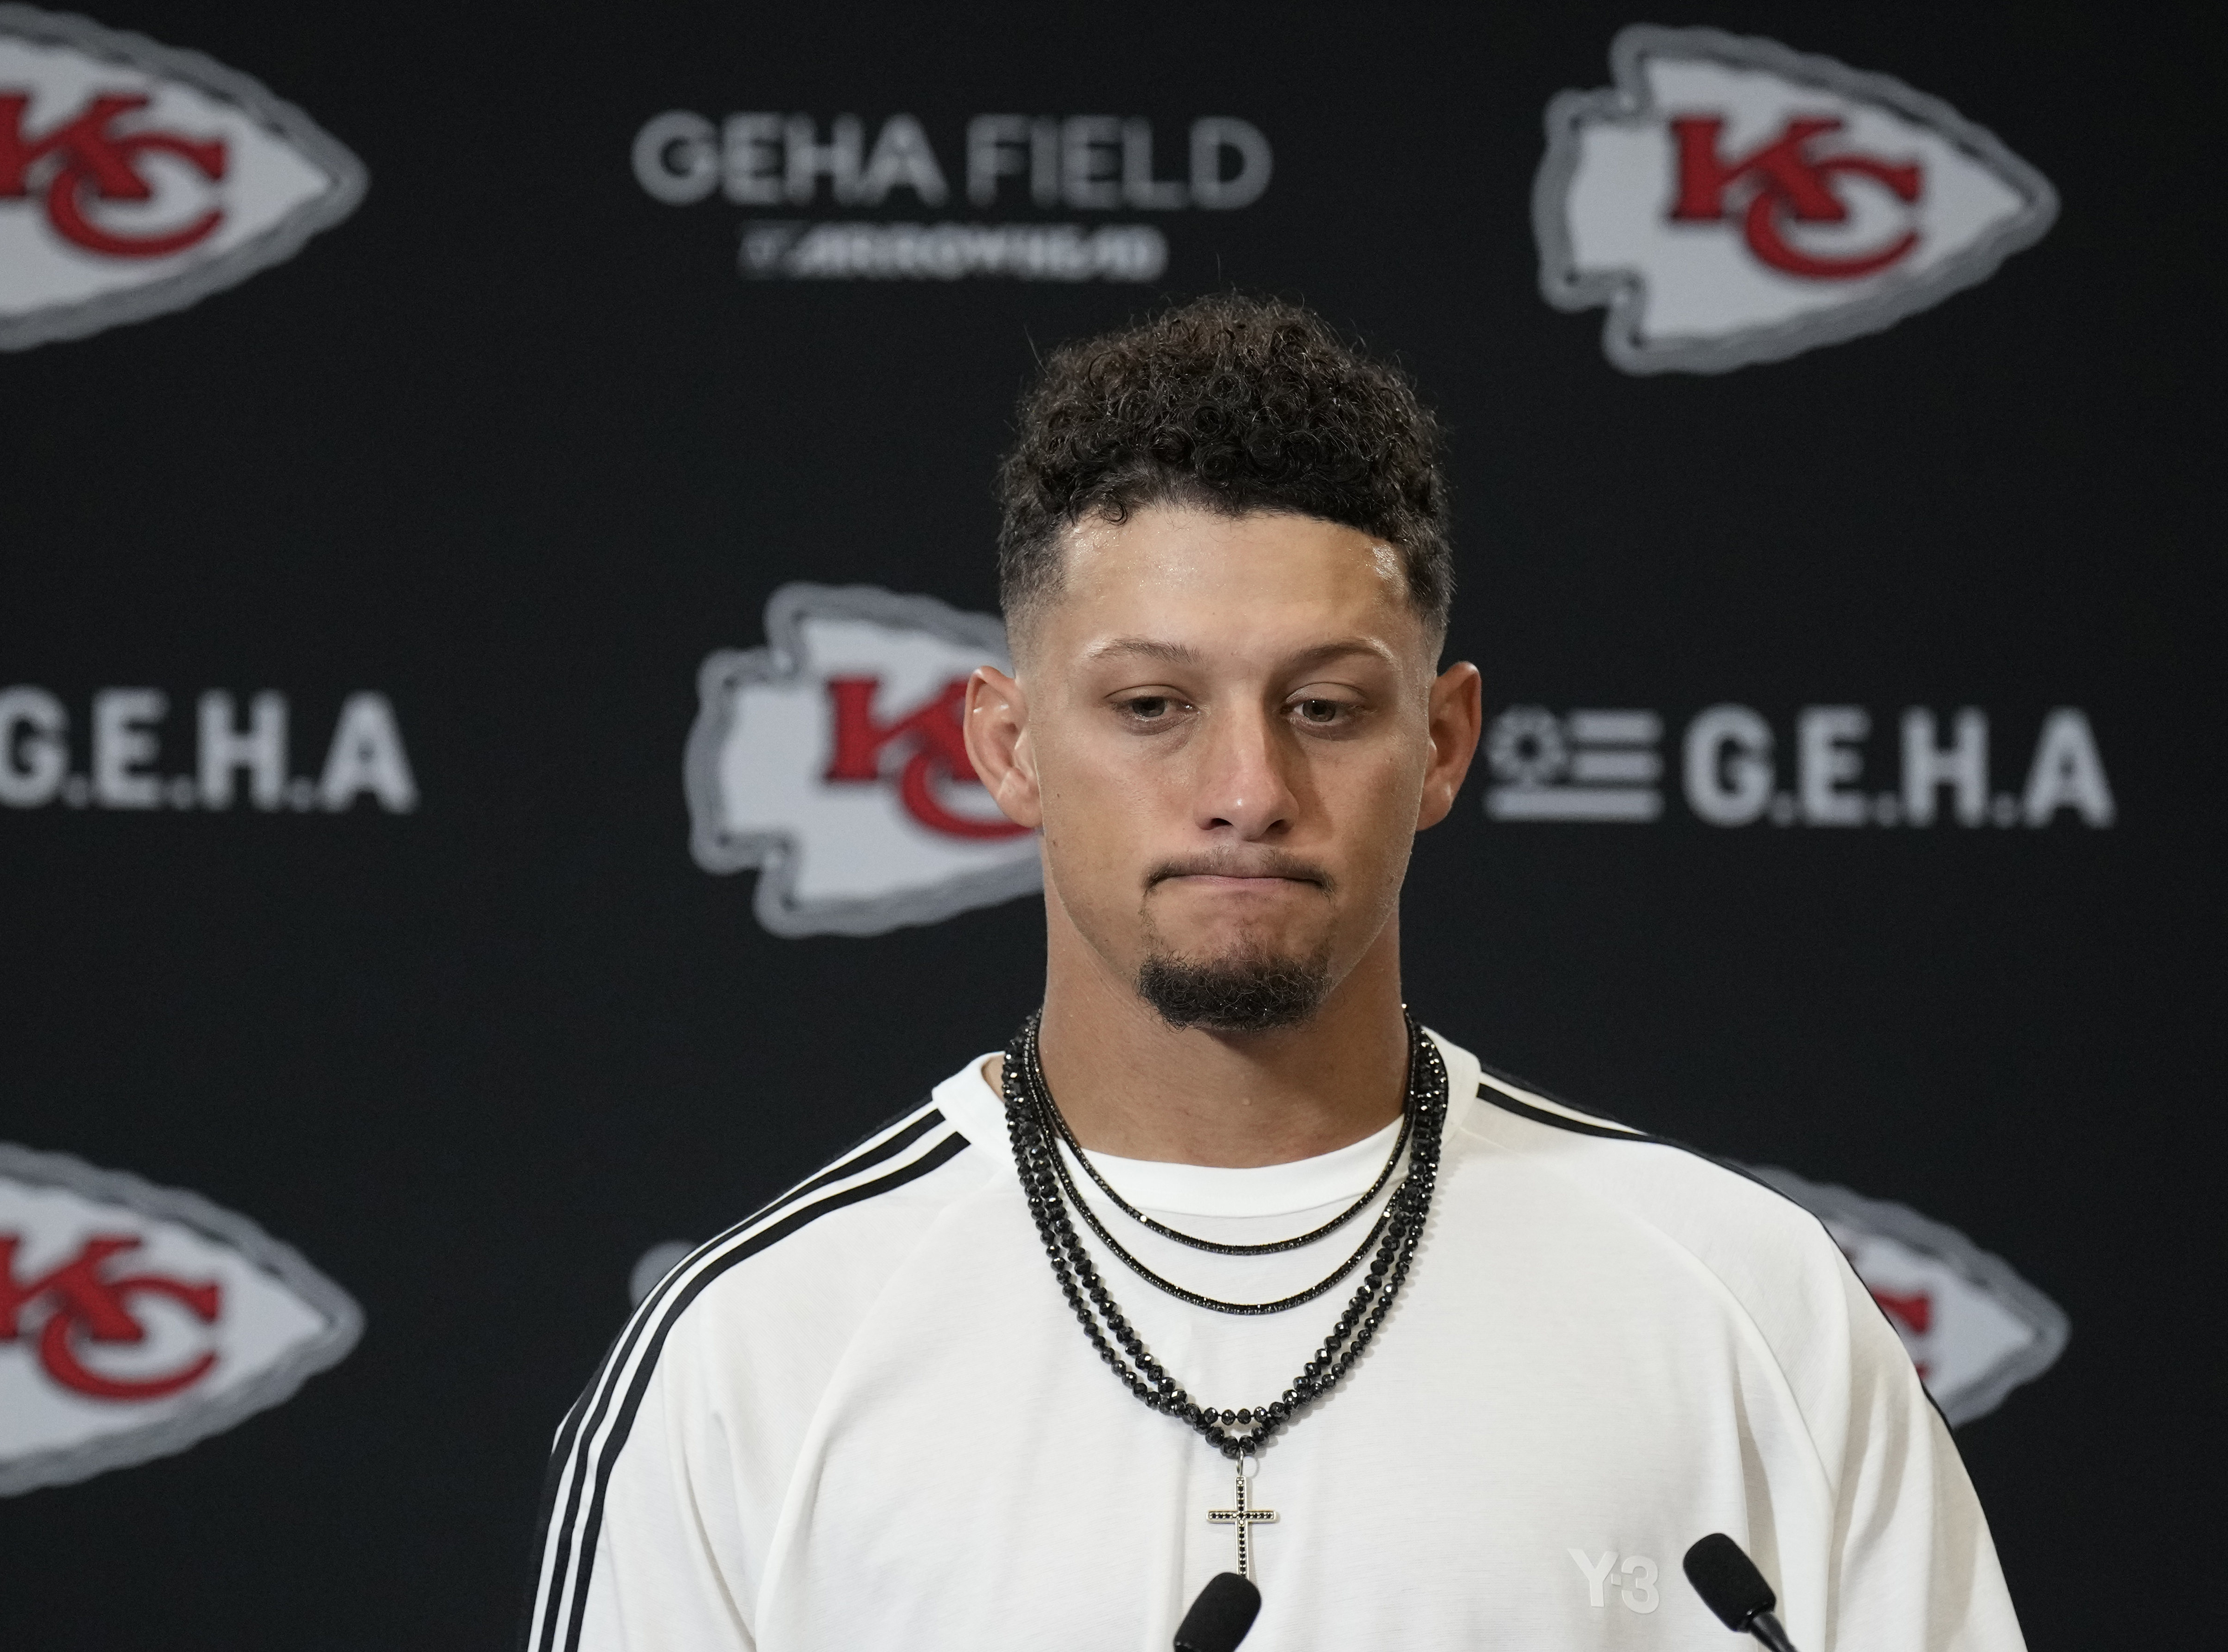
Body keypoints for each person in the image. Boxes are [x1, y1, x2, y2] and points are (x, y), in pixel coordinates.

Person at [522, 295, 2025, 1651]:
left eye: (1322, 704)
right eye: (1154, 704)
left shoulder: (1748, 1300)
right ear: (1007, 745)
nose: (1245, 786)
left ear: (1439, 744)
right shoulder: (759, 1349)